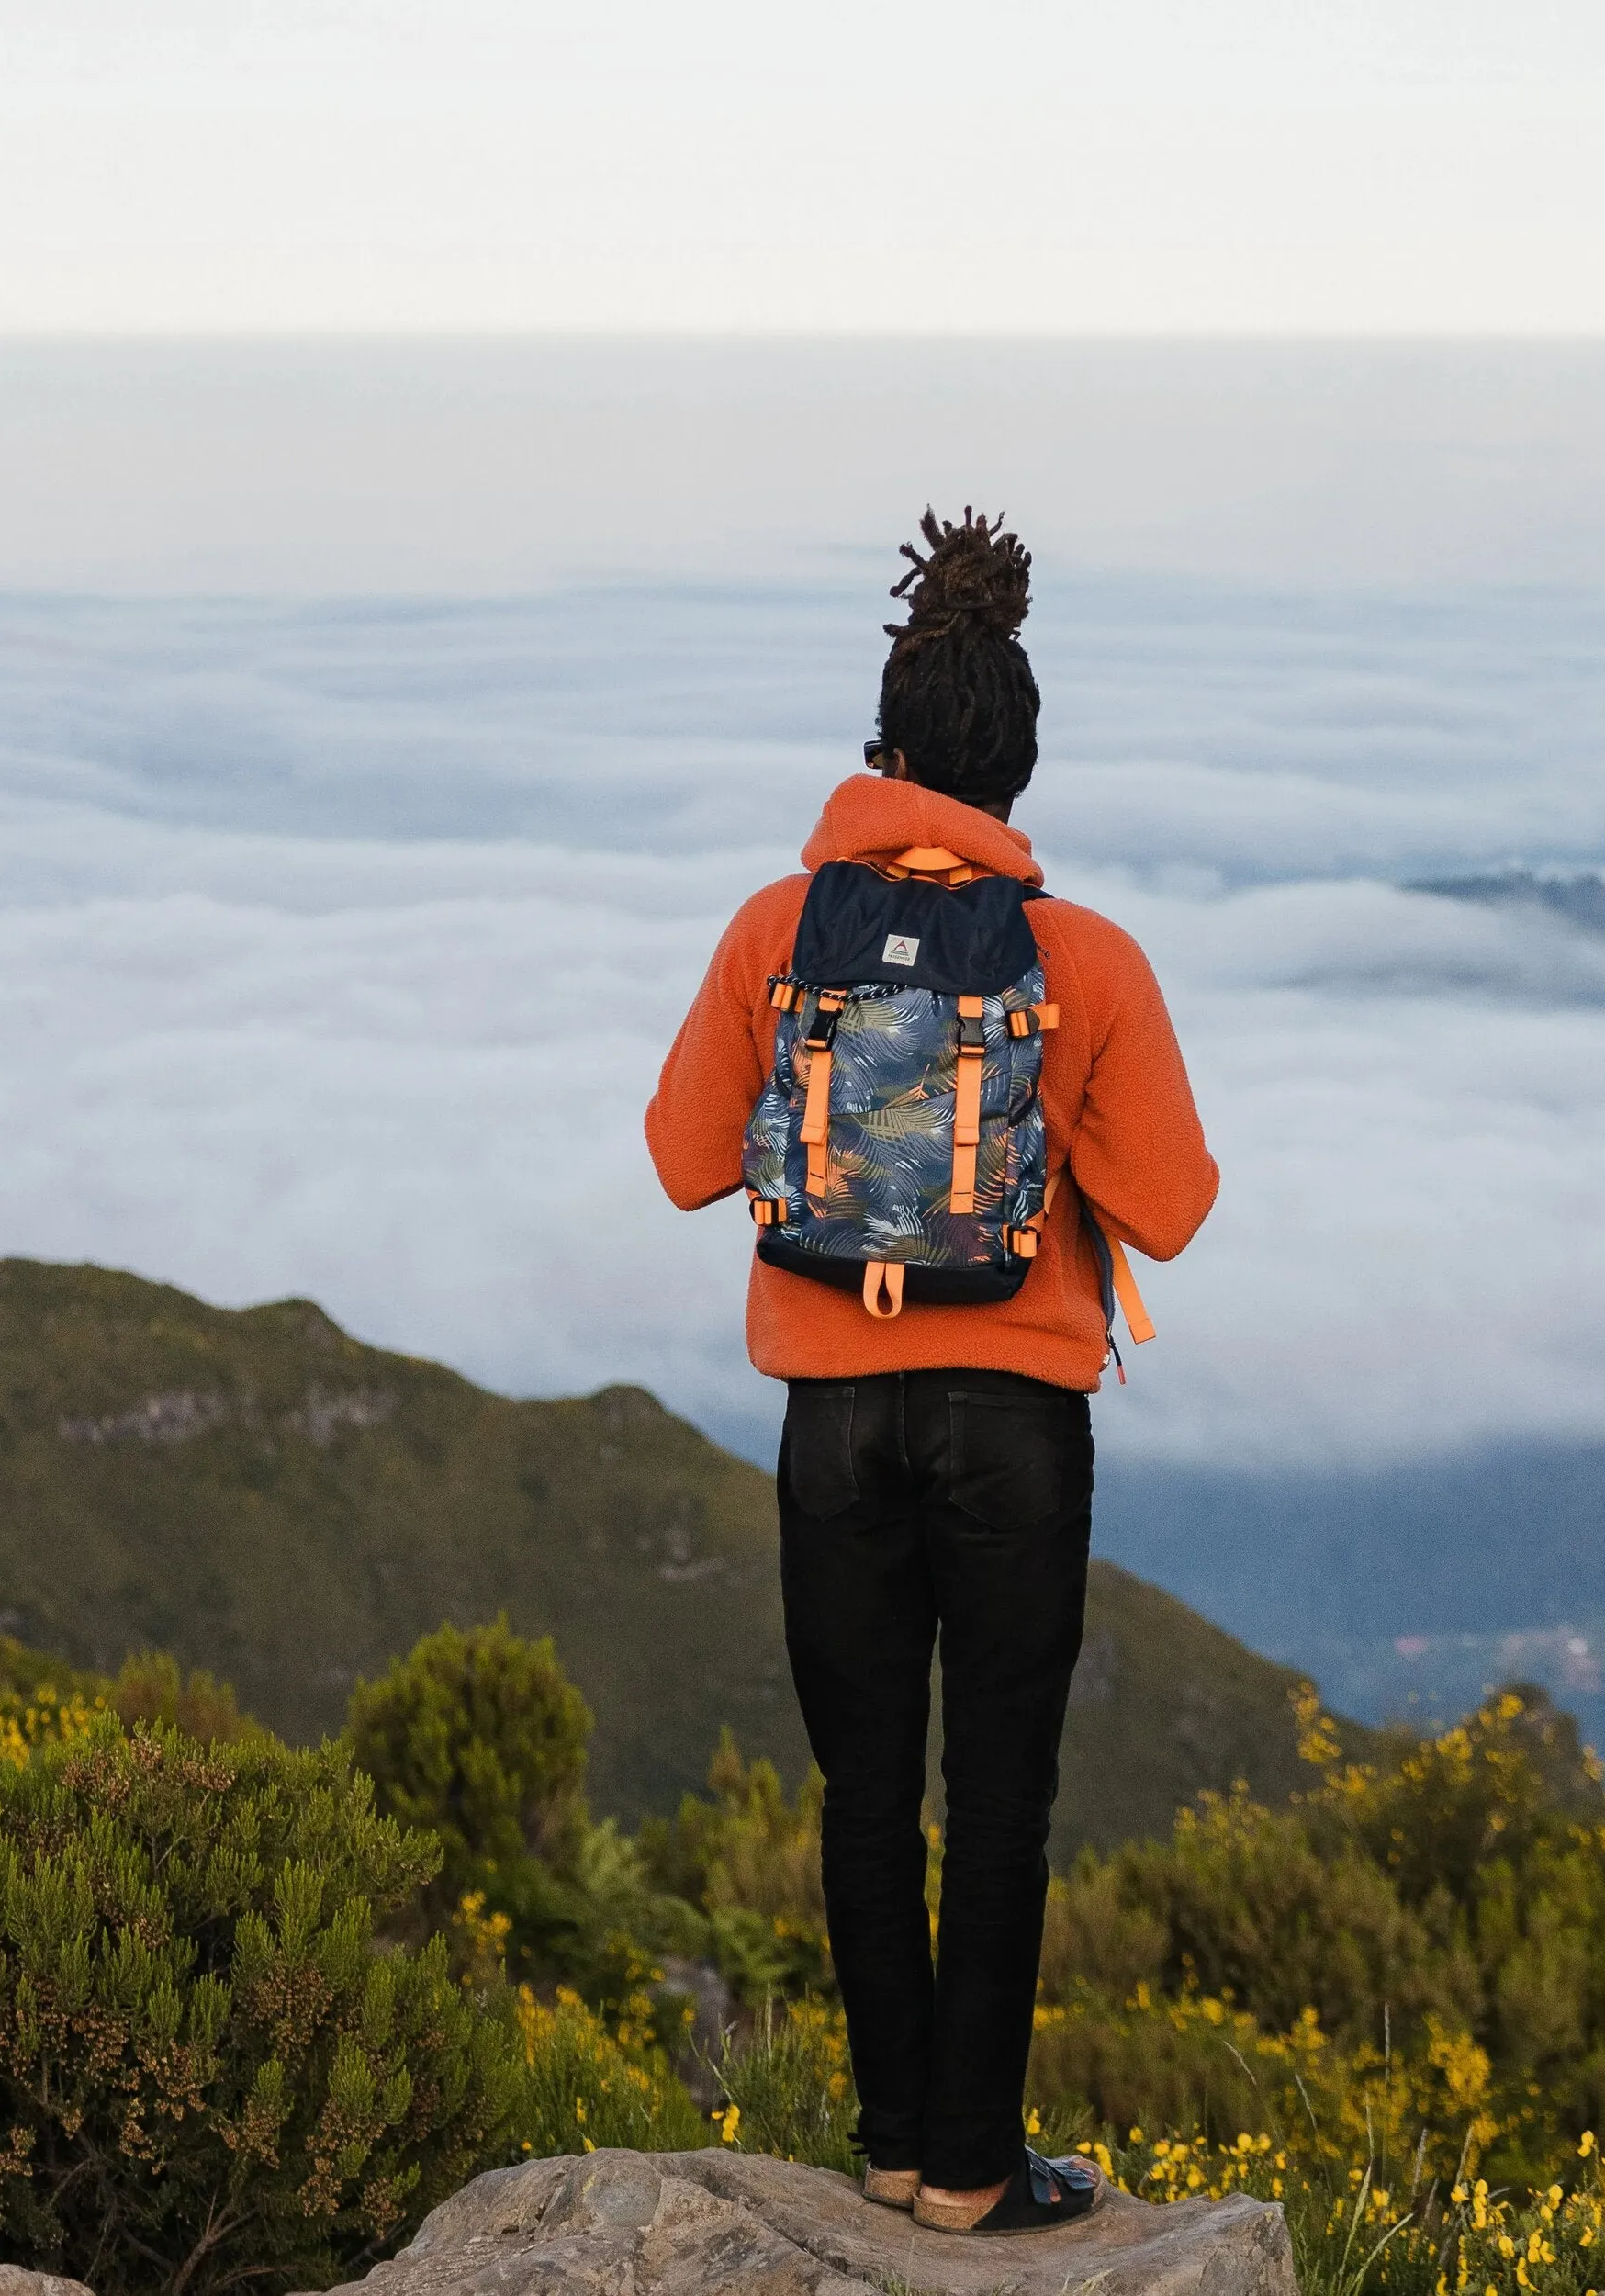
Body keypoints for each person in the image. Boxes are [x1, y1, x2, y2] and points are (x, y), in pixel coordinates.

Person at [645, 508, 1218, 2235]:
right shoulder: (1087, 960)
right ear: (1016, 776)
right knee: (1003, 1799)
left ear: (884, 748)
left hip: (833, 1418)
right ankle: (976, 2170)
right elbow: (1173, 1212)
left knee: (864, 1791)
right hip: (1018, 1430)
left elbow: (684, 1159)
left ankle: (893, 2149)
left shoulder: (776, 930)